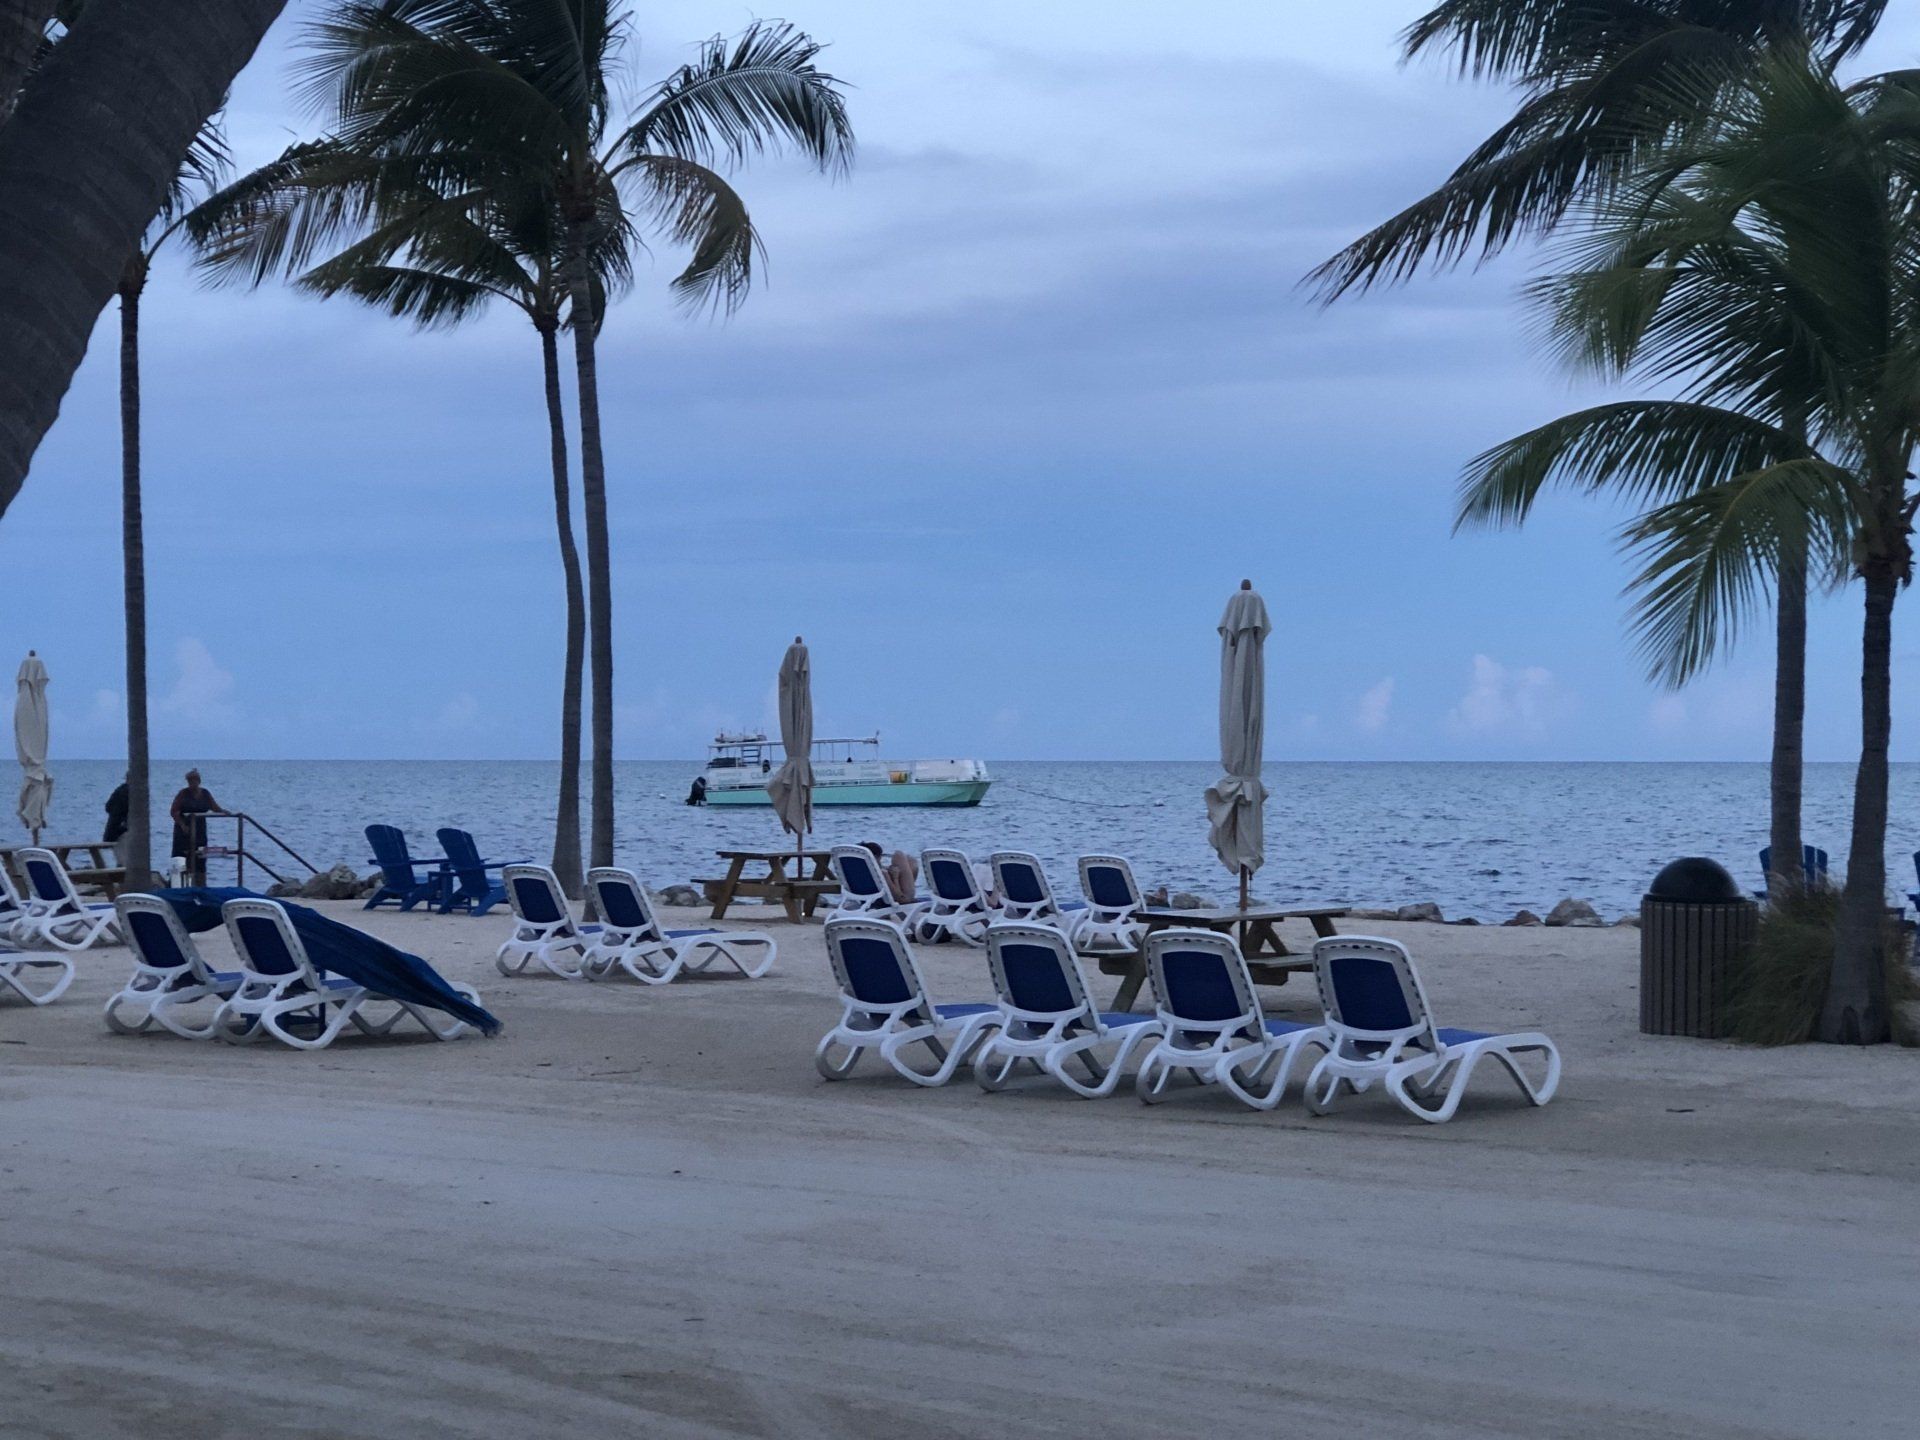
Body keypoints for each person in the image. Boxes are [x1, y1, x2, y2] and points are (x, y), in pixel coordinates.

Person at [169, 769, 223, 885]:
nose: (192, 783)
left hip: (200, 830)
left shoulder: (205, 793)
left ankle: (200, 883)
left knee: (200, 855)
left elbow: (213, 806)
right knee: (183, 857)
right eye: (190, 781)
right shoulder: (183, 794)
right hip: (184, 831)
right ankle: (179, 883)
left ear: (199, 781)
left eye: (194, 780)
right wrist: (182, 825)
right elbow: (174, 811)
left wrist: (223, 812)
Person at [862, 840, 918, 905]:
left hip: (867, 900)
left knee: (910, 861)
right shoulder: (882, 874)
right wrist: (895, 878)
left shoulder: (861, 872)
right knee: (900, 855)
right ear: (876, 857)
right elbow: (900, 898)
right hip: (903, 899)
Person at [102, 775, 129, 864]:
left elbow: (108, 807)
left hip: (113, 831)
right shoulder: (130, 792)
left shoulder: (119, 790)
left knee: (121, 859)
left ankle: (118, 875)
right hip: (121, 831)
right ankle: (120, 877)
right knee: (124, 861)